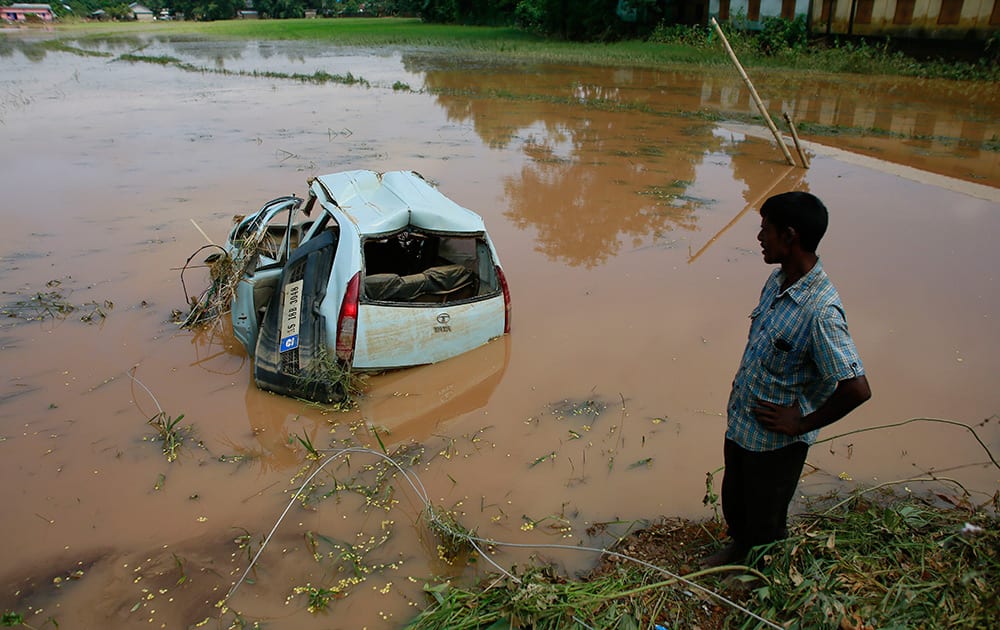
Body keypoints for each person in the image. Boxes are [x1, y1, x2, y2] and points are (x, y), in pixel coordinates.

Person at [703, 191, 871, 568]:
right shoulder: (778, 281)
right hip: (744, 425)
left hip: (778, 443)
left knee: (766, 516)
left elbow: (856, 388)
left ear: (790, 235)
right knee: (736, 499)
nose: (759, 238)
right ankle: (737, 550)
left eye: (766, 230)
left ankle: (757, 571)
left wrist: (802, 423)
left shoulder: (820, 312)